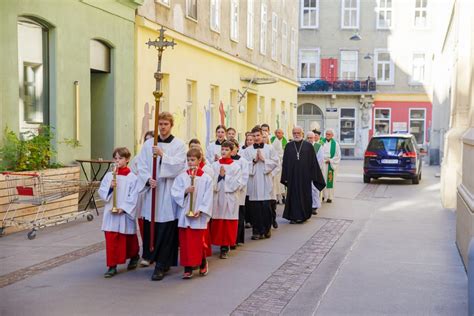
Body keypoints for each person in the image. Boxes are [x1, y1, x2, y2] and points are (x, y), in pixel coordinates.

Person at [135, 112, 187, 281]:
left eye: (166, 124)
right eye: (160, 124)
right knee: (153, 228)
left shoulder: (179, 144)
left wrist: (163, 155)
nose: (163, 127)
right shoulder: (149, 143)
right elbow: (141, 164)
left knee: (166, 228)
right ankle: (154, 258)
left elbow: (180, 166)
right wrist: (147, 179)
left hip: (168, 190)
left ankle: (162, 264)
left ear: (171, 125)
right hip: (153, 190)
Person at [171, 148, 213, 279]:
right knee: (185, 242)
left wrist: (201, 210)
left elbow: (208, 196)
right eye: (188, 160)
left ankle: (202, 263)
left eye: (193, 160)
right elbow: (175, 192)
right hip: (185, 215)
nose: (190, 163)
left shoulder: (206, 178)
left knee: (198, 242)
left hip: (198, 215)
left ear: (199, 160)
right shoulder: (182, 177)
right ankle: (187, 267)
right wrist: (185, 191)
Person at [98, 147, 139, 278]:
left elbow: (134, 195)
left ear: (127, 160)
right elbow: (101, 191)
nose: (117, 161)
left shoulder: (132, 177)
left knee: (128, 239)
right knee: (111, 239)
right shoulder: (109, 176)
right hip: (111, 212)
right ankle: (112, 266)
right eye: (115, 158)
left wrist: (125, 208)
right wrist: (110, 188)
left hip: (124, 213)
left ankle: (134, 256)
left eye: (120, 158)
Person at [281, 127, 326, 224]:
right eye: (294, 133)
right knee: (292, 196)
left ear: (302, 133)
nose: (296, 135)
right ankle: (293, 216)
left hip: (305, 177)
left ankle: (303, 215)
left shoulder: (308, 146)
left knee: (304, 195)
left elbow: (313, 162)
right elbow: (285, 163)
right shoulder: (288, 146)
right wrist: (285, 177)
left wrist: (316, 177)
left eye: (298, 133)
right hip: (292, 177)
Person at [242, 126, 279, 240]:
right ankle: (256, 231)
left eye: (258, 135)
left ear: (262, 136)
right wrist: (253, 161)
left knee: (265, 207)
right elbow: (243, 165)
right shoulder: (247, 151)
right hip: (253, 182)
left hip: (265, 180)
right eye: (254, 136)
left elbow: (276, 162)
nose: (256, 138)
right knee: (255, 208)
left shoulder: (269, 148)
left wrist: (264, 160)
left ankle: (267, 229)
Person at [210, 141, 242, 259]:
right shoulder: (214, 165)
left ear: (232, 151)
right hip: (218, 196)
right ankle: (219, 243)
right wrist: (218, 176)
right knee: (218, 222)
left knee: (228, 222)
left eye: (227, 150)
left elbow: (238, 183)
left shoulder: (235, 166)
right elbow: (210, 180)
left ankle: (225, 246)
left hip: (230, 198)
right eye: (222, 149)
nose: (224, 152)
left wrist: (224, 176)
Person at [130, 131, 154, 264]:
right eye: (146, 140)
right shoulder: (137, 159)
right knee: (144, 224)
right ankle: (147, 253)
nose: (148, 143)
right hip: (142, 193)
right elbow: (134, 177)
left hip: (157, 193)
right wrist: (144, 180)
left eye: (151, 140)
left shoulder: (158, 156)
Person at [229, 139, 249, 246]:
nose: (231, 150)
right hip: (227, 194)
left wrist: (236, 187)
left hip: (239, 193)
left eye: (233, 147)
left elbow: (244, 177)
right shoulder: (224, 161)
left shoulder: (243, 161)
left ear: (237, 148)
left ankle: (237, 239)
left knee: (239, 216)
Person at [263, 131, 280, 229]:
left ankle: (273, 219)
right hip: (261, 180)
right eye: (263, 137)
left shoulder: (271, 149)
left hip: (271, 179)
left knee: (271, 201)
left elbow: (277, 165)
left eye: (265, 137)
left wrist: (271, 174)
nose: (264, 139)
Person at [321, 129, 341, 203]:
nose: (327, 135)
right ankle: (323, 196)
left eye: (329, 134)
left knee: (330, 181)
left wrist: (330, 160)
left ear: (332, 135)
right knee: (323, 179)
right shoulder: (321, 142)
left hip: (331, 164)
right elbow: (318, 153)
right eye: (326, 134)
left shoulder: (335, 144)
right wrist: (323, 160)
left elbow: (338, 156)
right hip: (323, 164)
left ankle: (330, 197)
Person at [270, 129, 287, 205]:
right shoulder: (272, 140)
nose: (278, 134)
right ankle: (276, 197)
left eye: (280, 133)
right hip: (275, 163)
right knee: (275, 181)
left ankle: (282, 197)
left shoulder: (285, 141)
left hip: (282, 163)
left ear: (283, 134)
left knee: (281, 181)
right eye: (276, 133)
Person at [311, 130, 324, 214]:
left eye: (315, 136)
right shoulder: (305, 145)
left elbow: (320, 159)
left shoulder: (318, 146)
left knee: (314, 188)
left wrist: (314, 168)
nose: (313, 138)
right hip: (305, 171)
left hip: (315, 170)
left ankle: (315, 206)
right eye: (308, 137)